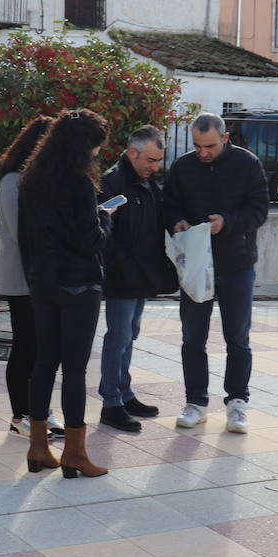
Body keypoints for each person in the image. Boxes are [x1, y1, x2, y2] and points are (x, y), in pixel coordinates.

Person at [18, 108, 116, 478]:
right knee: (74, 370)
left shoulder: (31, 179)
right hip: (78, 286)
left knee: (44, 364)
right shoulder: (78, 184)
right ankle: (75, 454)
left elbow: (25, 237)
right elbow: (91, 241)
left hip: (42, 283)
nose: (95, 155)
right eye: (94, 148)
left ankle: (38, 447)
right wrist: (105, 218)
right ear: (82, 147)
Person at [163, 113, 270, 433]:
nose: (203, 152)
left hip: (237, 264)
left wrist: (227, 222)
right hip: (196, 264)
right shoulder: (183, 166)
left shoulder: (248, 164)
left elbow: (260, 210)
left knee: (237, 338)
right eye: (197, 146)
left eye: (209, 145)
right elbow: (168, 204)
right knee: (192, 337)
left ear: (224, 139)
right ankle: (195, 402)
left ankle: (237, 403)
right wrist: (177, 222)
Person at [0, 116, 63, 439]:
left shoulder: (38, 181)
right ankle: (21, 415)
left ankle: (40, 411)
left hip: (44, 277)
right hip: (21, 280)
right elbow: (24, 235)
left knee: (44, 348)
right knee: (26, 347)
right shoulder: (10, 183)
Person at [98, 125, 177, 432]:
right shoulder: (112, 183)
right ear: (132, 153)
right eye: (151, 160)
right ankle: (111, 402)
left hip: (142, 274)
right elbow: (106, 235)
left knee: (130, 334)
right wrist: (128, 267)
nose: (155, 167)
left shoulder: (145, 181)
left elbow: (155, 221)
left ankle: (125, 392)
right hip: (122, 276)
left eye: (158, 160)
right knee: (117, 338)